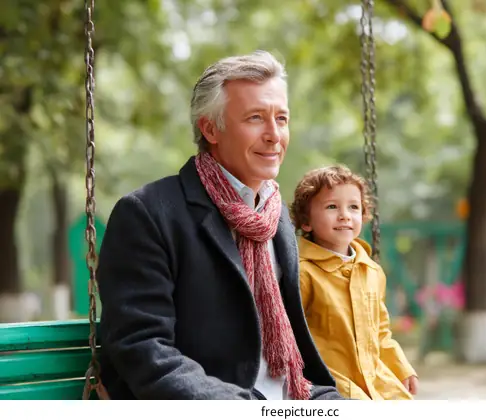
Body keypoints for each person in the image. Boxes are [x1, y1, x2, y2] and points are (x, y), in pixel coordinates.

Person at [96, 51, 344, 400]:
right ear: (210, 128)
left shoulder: (276, 218)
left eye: (282, 118)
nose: (275, 135)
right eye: (256, 118)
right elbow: (142, 347)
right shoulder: (147, 214)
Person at [290, 165, 419, 400]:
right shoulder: (303, 272)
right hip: (333, 382)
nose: (345, 215)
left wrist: (400, 366)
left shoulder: (371, 270)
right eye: (332, 207)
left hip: (376, 379)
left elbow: (381, 331)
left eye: (353, 207)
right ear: (306, 222)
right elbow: (289, 335)